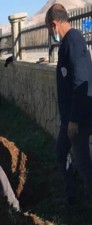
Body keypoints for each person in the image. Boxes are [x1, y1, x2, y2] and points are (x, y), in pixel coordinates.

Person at [45, 4, 92, 205]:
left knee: (83, 163)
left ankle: (83, 201)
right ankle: (73, 196)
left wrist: (73, 120)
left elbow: (80, 80)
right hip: (71, 117)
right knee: (62, 153)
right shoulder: (68, 43)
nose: (50, 33)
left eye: (48, 28)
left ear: (54, 24)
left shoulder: (73, 41)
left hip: (78, 118)